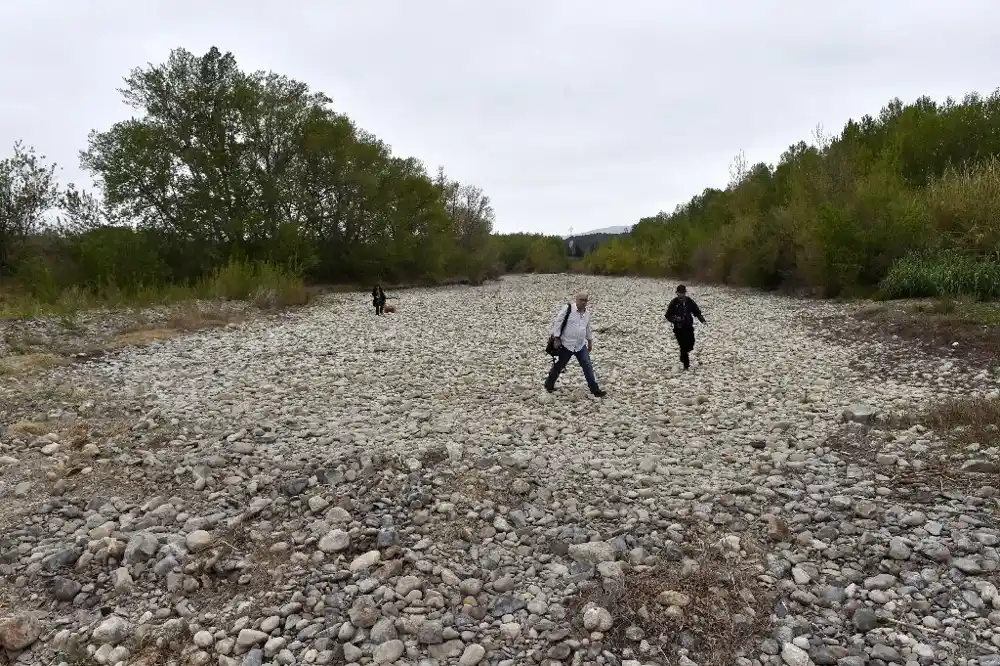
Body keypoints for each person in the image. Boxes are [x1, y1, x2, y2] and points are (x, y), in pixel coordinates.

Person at [544, 290, 606, 397]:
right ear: (576, 299)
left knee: (587, 365)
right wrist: (557, 338)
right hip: (566, 344)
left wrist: (590, 342)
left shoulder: (587, 314)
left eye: (585, 300)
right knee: (559, 366)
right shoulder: (568, 309)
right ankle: (549, 384)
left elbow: (587, 328)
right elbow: (558, 322)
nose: (583, 302)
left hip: (580, 345)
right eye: (581, 300)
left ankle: (595, 389)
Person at [665, 284, 706, 371]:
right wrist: (674, 320)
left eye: (683, 293)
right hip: (678, 328)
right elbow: (668, 315)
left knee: (691, 345)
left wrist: (702, 320)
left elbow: (696, 311)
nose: (682, 294)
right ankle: (686, 365)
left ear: (685, 293)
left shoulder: (689, 301)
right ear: (677, 293)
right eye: (680, 293)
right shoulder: (674, 302)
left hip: (688, 326)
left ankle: (682, 356)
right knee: (683, 346)